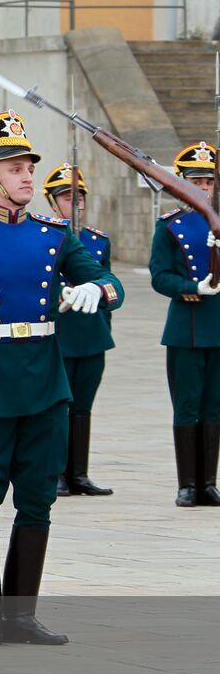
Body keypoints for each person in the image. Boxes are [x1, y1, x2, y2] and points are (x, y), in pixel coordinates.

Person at [0, 110, 122, 649]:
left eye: (28, 165)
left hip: (45, 385)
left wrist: (96, 291)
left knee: (38, 500)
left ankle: (21, 614)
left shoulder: (55, 235)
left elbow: (108, 279)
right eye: (13, 168)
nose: (27, 176)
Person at [150, 141, 220, 507]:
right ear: (181, 183)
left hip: (218, 327)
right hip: (187, 327)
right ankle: (186, 484)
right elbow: (159, 276)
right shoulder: (170, 226)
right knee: (187, 406)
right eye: (196, 180)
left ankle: (208, 482)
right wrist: (193, 287)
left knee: (214, 407)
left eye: (209, 181)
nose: (204, 187)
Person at [43, 163, 114, 497]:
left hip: (91, 335)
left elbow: (107, 289)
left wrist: (103, 327)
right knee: (59, 407)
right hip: (59, 335)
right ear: (53, 202)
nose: (75, 203)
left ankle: (79, 473)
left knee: (83, 406)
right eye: (67, 197)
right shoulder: (46, 238)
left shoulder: (98, 241)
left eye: (78, 197)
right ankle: (56, 472)